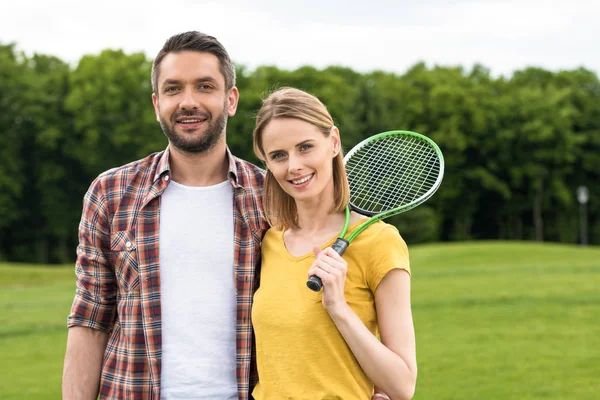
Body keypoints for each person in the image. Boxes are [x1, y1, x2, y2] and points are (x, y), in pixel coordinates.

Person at [62, 31, 268, 400]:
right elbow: (90, 319)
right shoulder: (111, 192)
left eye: (205, 86)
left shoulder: (270, 197)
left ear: (231, 99)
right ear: (157, 103)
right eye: (173, 89)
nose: (188, 102)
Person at [251, 87, 417, 399]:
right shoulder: (268, 242)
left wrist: (338, 307)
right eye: (278, 155)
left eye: (305, 147)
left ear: (334, 142)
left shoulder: (380, 242)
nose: (294, 166)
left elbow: (403, 384)